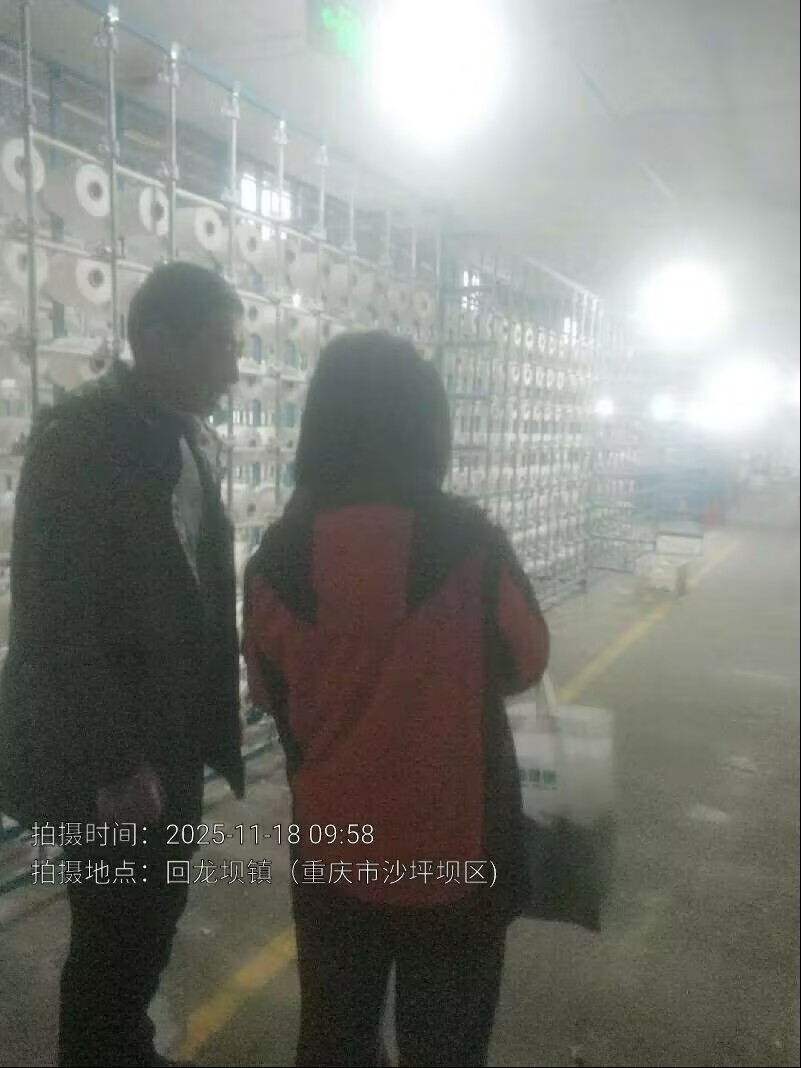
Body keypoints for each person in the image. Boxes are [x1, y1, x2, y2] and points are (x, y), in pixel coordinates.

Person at [243, 332, 550, 1067]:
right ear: (427, 429)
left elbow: (267, 692)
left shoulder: (275, 560)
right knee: (445, 1044)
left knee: (335, 1035)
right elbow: (525, 661)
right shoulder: (470, 545)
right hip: (454, 847)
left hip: (333, 849)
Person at [0, 261, 246, 1067]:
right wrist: (114, 765)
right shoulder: (81, 444)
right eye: (220, 346)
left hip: (164, 738)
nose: (233, 368)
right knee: (115, 933)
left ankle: (123, 1047)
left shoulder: (174, 435)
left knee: (148, 919)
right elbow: (56, 622)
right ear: (157, 340)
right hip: (108, 756)